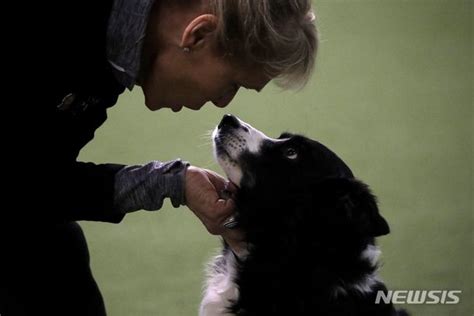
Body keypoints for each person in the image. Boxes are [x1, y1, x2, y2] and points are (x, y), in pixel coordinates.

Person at [1, 0, 317, 315]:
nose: (223, 102)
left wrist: (171, 182)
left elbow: (37, 180)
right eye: (232, 84)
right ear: (197, 35)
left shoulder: (112, 57)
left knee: (56, 255)